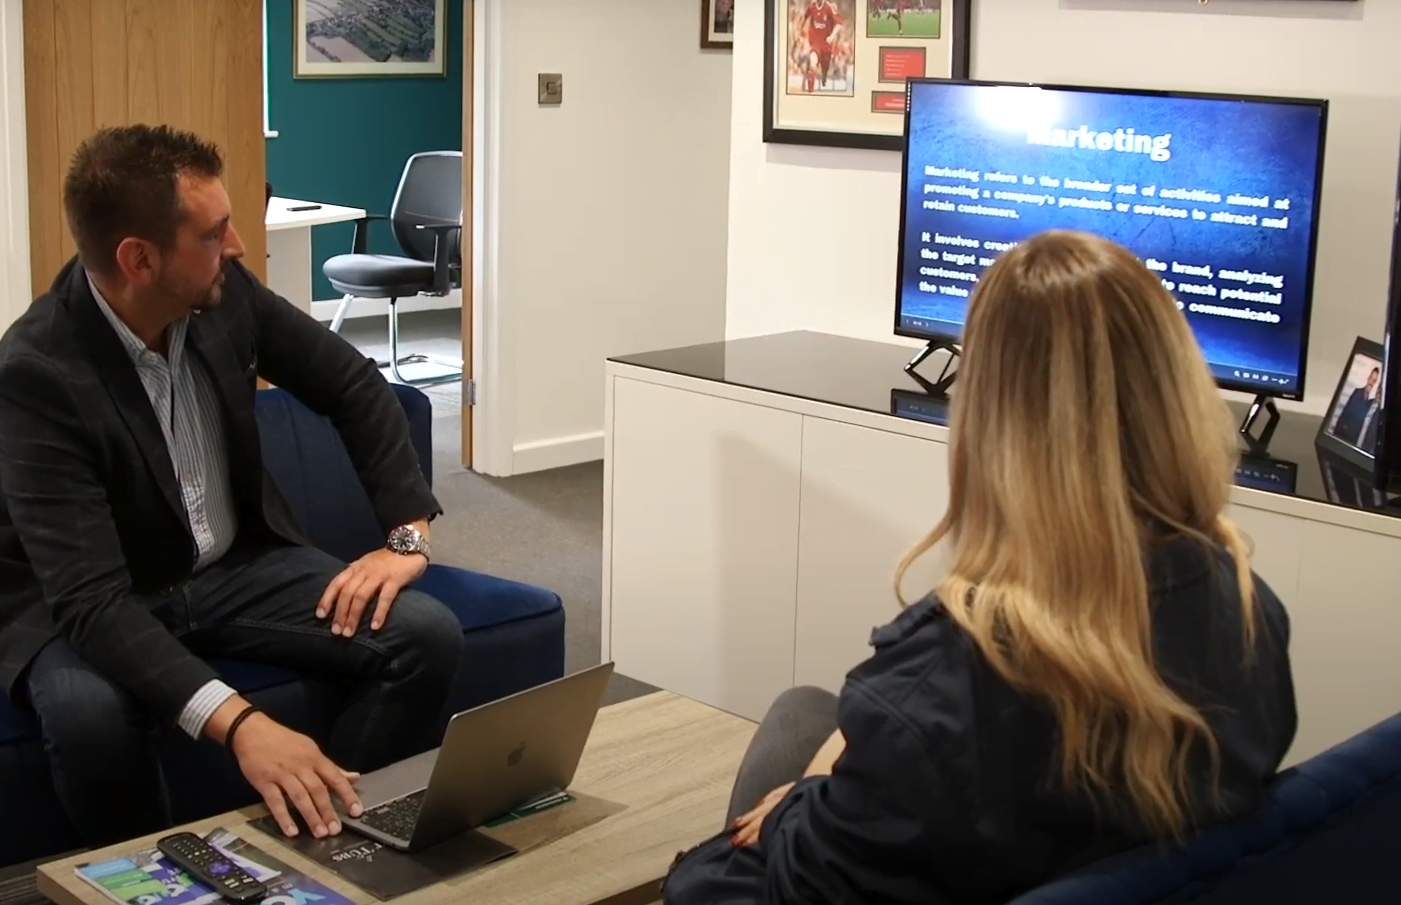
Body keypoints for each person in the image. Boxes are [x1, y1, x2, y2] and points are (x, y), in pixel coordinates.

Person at [662, 230, 1297, 905]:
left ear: (992, 422)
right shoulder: (1247, 606)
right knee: (802, 712)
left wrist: (805, 799)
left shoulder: (943, 687)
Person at [0, 125, 465, 849]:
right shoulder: (37, 373)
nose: (241, 245)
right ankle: (167, 885)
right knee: (88, 719)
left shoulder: (224, 294)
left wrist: (407, 534)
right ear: (139, 259)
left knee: (424, 634)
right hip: (90, 599)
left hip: (230, 567)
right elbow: (91, 602)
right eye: (215, 233)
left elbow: (352, 383)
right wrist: (246, 725)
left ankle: (323, 840)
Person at [1332, 364, 1380, 448]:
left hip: (1353, 441)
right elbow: (1345, 413)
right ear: (1368, 378)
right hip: (1343, 435)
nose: (1371, 382)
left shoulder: (1369, 402)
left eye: (1374, 380)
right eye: (1371, 379)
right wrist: (1336, 433)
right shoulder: (1357, 392)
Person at [799, 0, 842, 92]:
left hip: (826, 44)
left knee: (825, 67)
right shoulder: (811, 7)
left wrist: (832, 36)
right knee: (812, 64)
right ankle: (810, 92)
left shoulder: (828, 7)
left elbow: (838, 24)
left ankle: (824, 76)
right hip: (815, 43)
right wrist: (801, 30)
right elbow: (805, 17)